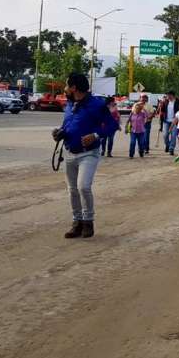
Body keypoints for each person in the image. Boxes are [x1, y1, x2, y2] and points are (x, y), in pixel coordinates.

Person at [52, 72, 117, 239]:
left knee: (83, 187)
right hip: (69, 152)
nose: (65, 89)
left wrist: (95, 135)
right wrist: (60, 133)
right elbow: (68, 125)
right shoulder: (70, 104)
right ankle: (77, 222)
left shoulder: (97, 104)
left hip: (89, 154)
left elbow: (112, 125)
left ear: (74, 87)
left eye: (67, 85)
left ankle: (88, 221)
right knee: (72, 190)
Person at [157, 91, 179, 155]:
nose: (168, 97)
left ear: (173, 95)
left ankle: (171, 148)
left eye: (169, 95)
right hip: (166, 121)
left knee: (173, 135)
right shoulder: (165, 102)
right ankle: (167, 145)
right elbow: (162, 111)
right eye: (167, 95)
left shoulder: (178, 102)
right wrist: (160, 106)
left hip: (175, 121)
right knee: (165, 135)